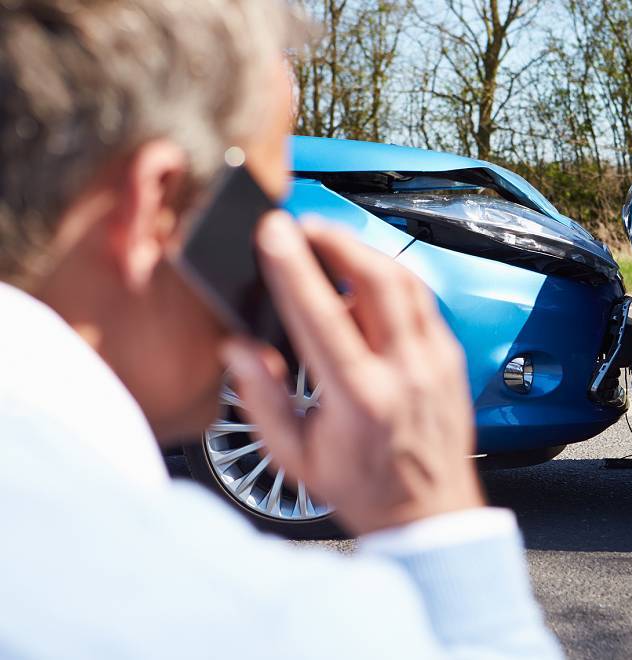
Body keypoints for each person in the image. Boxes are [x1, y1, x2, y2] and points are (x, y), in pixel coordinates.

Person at [0, 1, 561, 658]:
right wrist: (433, 518)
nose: (272, 258)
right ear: (155, 206)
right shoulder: (213, 612)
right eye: (261, 209)